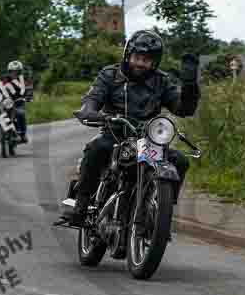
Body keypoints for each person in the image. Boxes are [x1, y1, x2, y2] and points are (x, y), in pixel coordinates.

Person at [68, 30, 200, 225]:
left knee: (179, 161)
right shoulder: (110, 75)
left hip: (147, 141)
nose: (140, 63)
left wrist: (189, 85)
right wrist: (91, 111)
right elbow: (93, 98)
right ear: (128, 54)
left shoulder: (161, 81)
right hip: (115, 134)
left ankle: (162, 210)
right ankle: (81, 202)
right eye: (137, 57)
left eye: (146, 60)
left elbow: (183, 109)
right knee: (96, 149)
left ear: (154, 62)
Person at [0, 60, 32, 144]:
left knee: (20, 113)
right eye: (12, 71)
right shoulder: (4, 79)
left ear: (20, 72)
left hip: (19, 102)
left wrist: (28, 97)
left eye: (17, 71)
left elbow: (29, 89)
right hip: (6, 102)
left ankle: (22, 134)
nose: (14, 73)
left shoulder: (24, 80)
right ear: (9, 71)